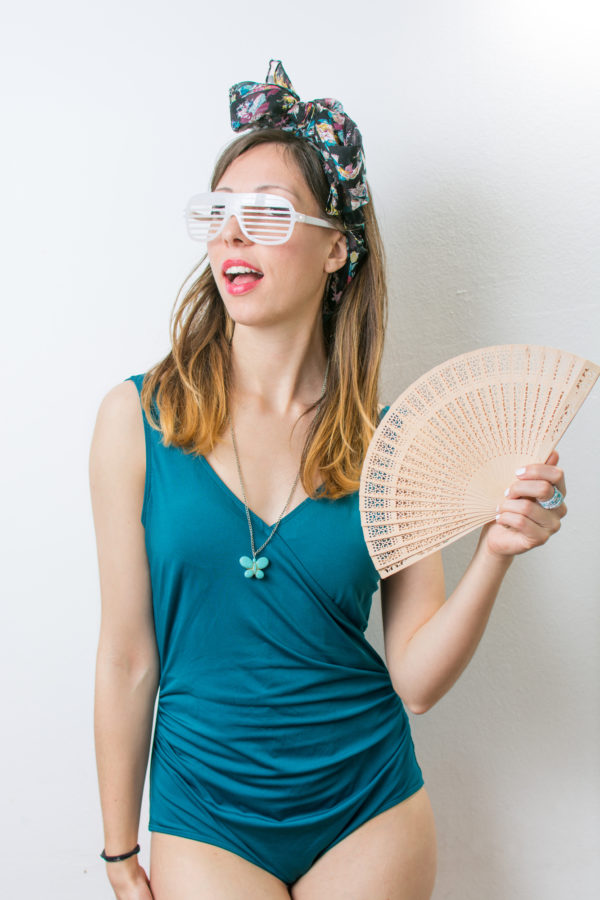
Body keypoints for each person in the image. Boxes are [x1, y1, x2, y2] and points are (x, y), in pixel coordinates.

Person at [89, 61, 568, 900]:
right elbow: (129, 657)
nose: (232, 237)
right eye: (219, 214)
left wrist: (496, 552)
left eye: (266, 215)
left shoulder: (393, 444)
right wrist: (119, 852)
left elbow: (415, 683)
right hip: (206, 809)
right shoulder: (132, 421)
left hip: (368, 805)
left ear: (337, 246)